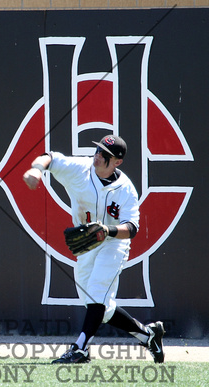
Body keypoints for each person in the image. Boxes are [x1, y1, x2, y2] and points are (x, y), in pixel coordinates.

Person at [22, 135, 165, 364]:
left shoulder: (126, 189)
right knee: (100, 308)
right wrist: (37, 170)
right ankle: (148, 335)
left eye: (105, 155)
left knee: (98, 293)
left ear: (117, 162)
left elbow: (132, 227)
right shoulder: (81, 169)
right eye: (98, 151)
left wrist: (107, 231)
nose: (98, 156)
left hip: (113, 243)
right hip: (87, 244)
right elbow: (50, 157)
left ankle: (79, 349)